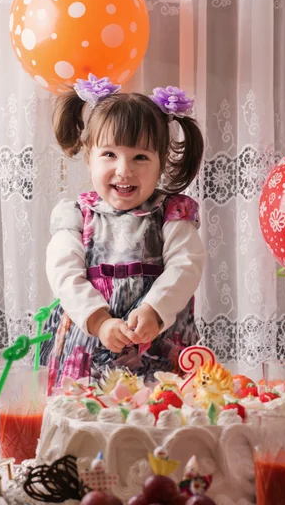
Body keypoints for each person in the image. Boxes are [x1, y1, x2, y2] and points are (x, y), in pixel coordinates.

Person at [39, 75, 205, 388]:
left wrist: (154, 310)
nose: (124, 170)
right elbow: (64, 274)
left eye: (140, 157)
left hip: (158, 347)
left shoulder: (173, 215)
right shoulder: (75, 215)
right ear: (89, 158)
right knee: (88, 424)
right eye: (110, 154)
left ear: (161, 163)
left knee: (160, 420)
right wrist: (98, 320)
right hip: (88, 349)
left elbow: (186, 266)